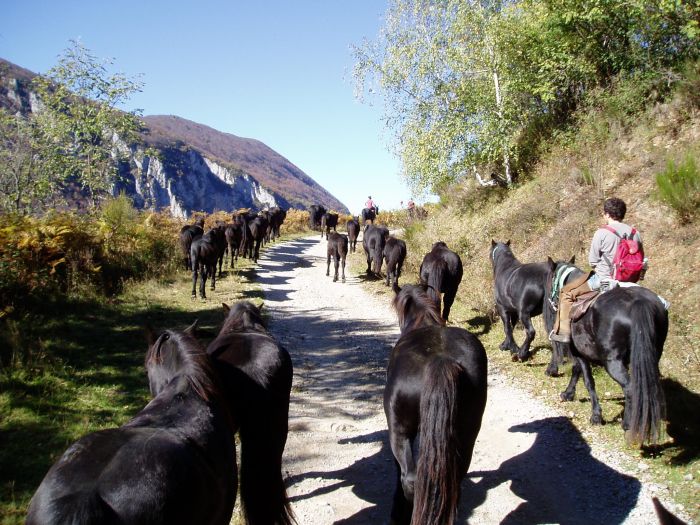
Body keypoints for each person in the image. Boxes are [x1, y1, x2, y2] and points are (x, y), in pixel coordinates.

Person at [549, 197, 642, 343]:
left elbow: (592, 261)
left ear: (607, 214)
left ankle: (563, 333)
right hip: (630, 282)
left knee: (567, 293)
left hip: (605, 280)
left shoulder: (602, 232)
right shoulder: (635, 233)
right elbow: (641, 261)